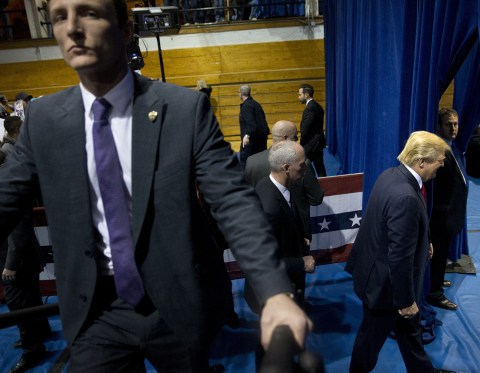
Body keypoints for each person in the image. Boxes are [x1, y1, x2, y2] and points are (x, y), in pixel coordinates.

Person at [0, 0, 311, 371]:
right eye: (59, 17)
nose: (73, 28)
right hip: (95, 313)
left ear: (126, 29)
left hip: (175, 305)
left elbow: (233, 202)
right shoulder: (43, 119)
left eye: (89, 13)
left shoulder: (184, 110)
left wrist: (274, 291)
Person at [345, 131, 455, 373]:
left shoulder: (392, 176)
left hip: (378, 276)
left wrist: (423, 240)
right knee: (369, 341)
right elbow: (399, 256)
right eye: (440, 159)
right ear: (421, 161)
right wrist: (406, 301)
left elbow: (392, 227)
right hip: (387, 289)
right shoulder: (405, 196)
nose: (443, 163)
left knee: (409, 332)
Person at [1, 115, 51, 373]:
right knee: (31, 297)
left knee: (19, 303)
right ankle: (40, 333)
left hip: (17, 260)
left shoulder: (6, 187)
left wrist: (10, 265)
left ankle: (33, 348)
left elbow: (17, 231)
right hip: (26, 256)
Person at [245, 140, 315, 310]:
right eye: (301, 165)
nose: (305, 168)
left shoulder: (267, 183)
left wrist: (298, 239)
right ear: (286, 168)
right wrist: (302, 263)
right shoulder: (271, 209)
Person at [245, 120, 323, 243]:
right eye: (296, 137)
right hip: (298, 236)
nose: (297, 140)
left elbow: (249, 198)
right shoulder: (303, 163)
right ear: (286, 138)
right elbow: (316, 198)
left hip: (264, 234)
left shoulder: (251, 162)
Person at [426, 108, 468, 311]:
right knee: (438, 253)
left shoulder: (452, 147)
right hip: (441, 216)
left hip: (449, 214)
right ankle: (434, 292)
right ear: (438, 126)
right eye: (448, 124)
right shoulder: (439, 152)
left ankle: (437, 280)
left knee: (442, 255)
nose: (453, 128)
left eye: (456, 124)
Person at [298, 83, 326, 177]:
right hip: (318, 143)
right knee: (320, 169)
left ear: (306, 95)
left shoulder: (309, 109)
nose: (299, 97)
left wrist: (301, 144)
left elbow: (305, 130)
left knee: (305, 171)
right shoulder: (318, 106)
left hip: (310, 146)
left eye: (300, 94)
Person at [238, 84, 269, 168]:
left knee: (245, 164)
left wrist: (247, 135)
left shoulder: (246, 106)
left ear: (241, 94)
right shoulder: (256, 104)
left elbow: (251, 124)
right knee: (261, 164)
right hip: (261, 140)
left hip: (252, 141)